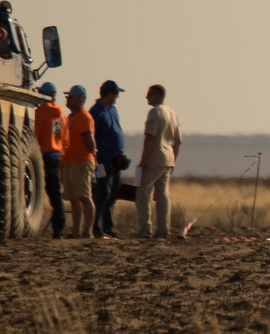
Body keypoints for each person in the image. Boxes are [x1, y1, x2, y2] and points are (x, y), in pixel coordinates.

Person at [137, 84, 182, 238]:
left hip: (155, 159)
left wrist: (143, 160)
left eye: (149, 95)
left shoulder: (155, 113)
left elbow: (149, 138)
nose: (147, 98)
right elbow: (178, 141)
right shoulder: (172, 113)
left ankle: (145, 229)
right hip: (168, 159)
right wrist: (173, 159)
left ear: (158, 95)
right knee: (163, 195)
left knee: (143, 192)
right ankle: (163, 229)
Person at [91, 80, 128, 238]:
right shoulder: (96, 112)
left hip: (116, 159)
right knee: (101, 194)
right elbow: (91, 136)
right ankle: (97, 228)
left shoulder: (113, 110)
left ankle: (109, 227)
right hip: (102, 160)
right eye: (115, 93)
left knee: (113, 194)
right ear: (109, 93)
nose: (117, 97)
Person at [31, 82, 67, 240]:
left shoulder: (39, 113)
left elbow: (34, 135)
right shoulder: (61, 114)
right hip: (57, 156)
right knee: (56, 195)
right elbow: (66, 139)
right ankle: (58, 229)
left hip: (42, 156)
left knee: (36, 191)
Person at [61, 85, 96, 236]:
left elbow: (89, 139)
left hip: (81, 161)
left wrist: (92, 155)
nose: (67, 100)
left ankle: (87, 230)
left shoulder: (84, 116)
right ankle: (76, 231)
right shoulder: (70, 117)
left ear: (81, 99)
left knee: (84, 196)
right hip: (69, 162)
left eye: (71, 97)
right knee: (73, 198)